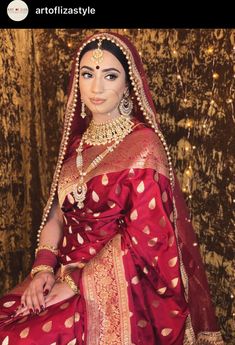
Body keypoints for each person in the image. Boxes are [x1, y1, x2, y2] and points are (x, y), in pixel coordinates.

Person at [0, 32, 224, 345]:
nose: (96, 87)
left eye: (110, 75)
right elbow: (57, 216)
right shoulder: (77, 145)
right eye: (87, 74)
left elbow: (146, 238)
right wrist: (42, 272)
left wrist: (76, 282)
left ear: (128, 83)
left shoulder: (144, 145)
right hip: (61, 274)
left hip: (121, 286)